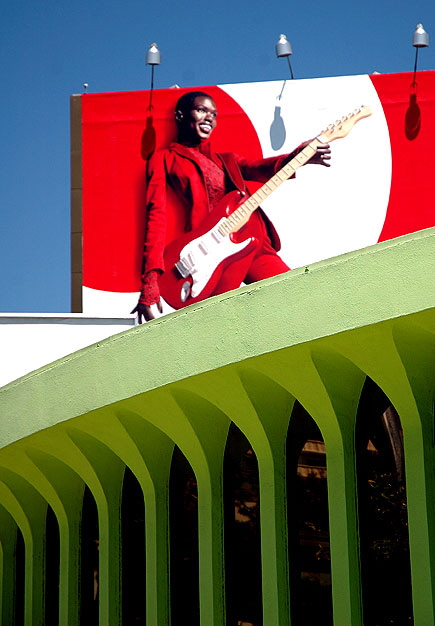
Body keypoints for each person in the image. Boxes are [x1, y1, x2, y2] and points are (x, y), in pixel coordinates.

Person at [132, 91, 331, 323]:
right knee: (221, 324)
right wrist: (150, 280)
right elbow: (157, 216)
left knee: (296, 294)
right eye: (201, 110)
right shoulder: (164, 159)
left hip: (251, 242)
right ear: (180, 116)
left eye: (214, 114)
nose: (209, 118)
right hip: (209, 256)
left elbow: (263, 167)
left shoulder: (226, 160)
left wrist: (301, 155)